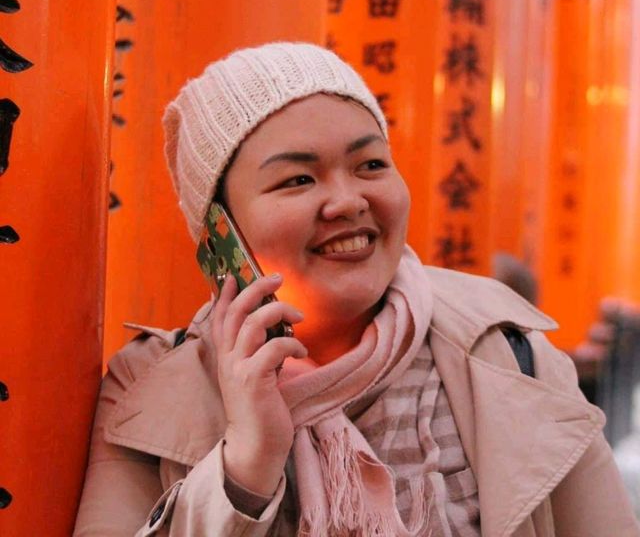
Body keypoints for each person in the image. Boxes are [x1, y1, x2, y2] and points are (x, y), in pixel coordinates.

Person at [74, 42, 639, 536]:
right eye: (298, 178)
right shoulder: (145, 388)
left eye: (370, 164)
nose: (348, 201)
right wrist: (244, 469)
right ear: (220, 232)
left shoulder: (508, 357)